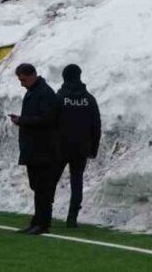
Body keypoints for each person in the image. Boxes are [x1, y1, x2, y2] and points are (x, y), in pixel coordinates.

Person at [10, 63, 61, 235]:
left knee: (43, 188)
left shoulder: (45, 94)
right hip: (35, 150)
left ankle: (43, 222)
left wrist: (22, 121)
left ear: (32, 75)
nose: (21, 83)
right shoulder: (34, 92)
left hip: (44, 150)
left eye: (23, 79)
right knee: (37, 186)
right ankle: (37, 220)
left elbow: (46, 119)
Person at [54, 64, 101, 228]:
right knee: (77, 182)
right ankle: (72, 217)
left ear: (64, 77)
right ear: (79, 76)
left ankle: (45, 211)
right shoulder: (89, 99)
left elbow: (50, 122)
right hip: (81, 148)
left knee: (51, 180)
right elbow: (96, 126)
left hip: (60, 147)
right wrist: (93, 149)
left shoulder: (59, 98)